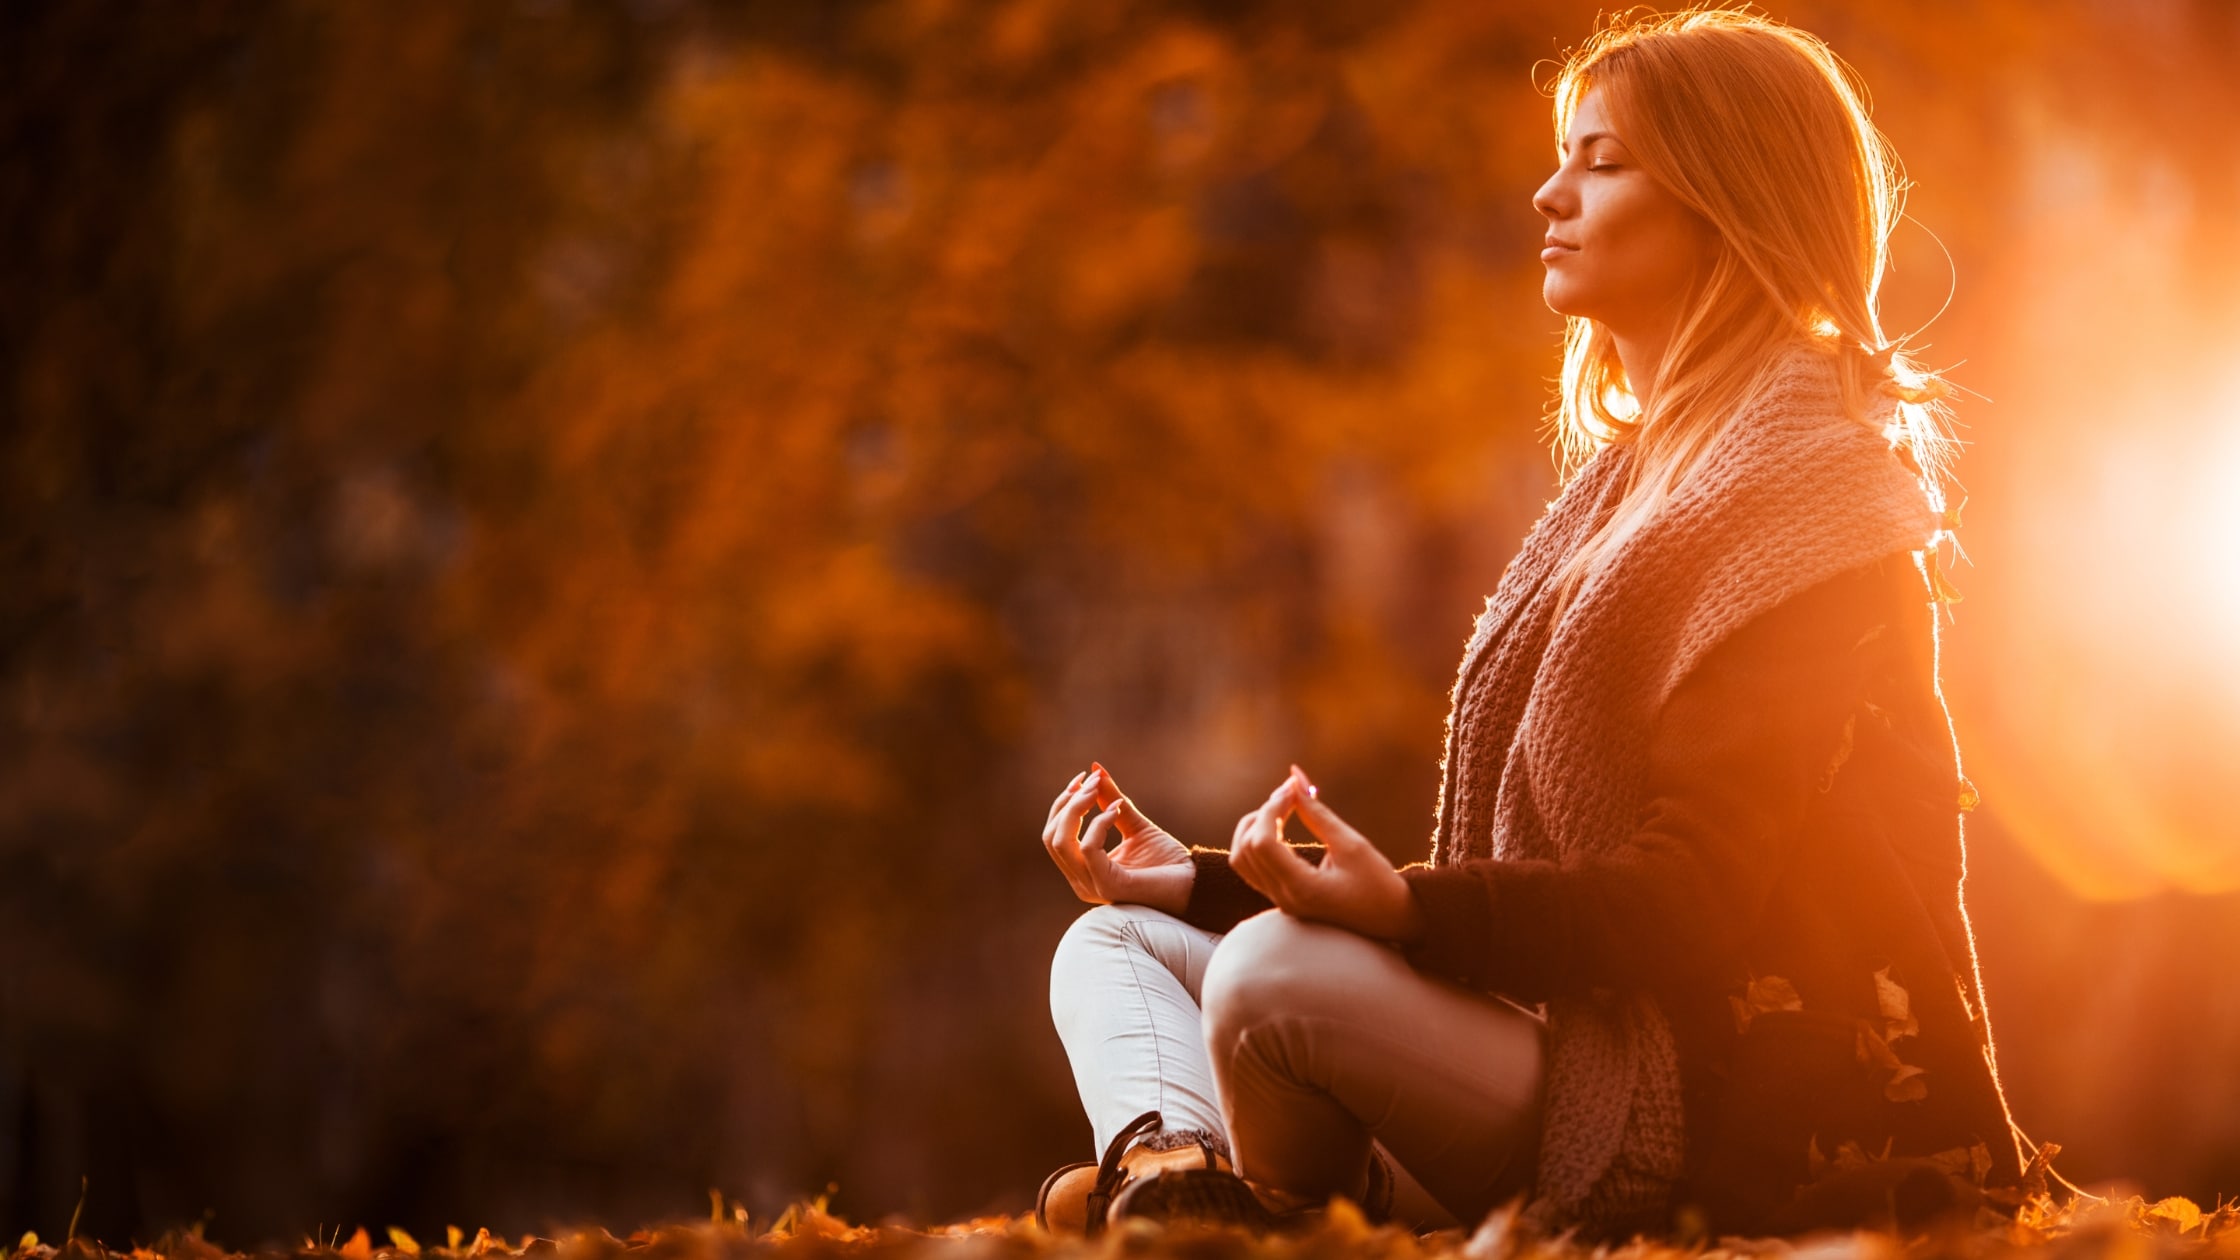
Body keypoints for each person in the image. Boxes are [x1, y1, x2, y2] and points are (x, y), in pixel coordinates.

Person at [1035, 6, 2032, 1243]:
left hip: (1708, 1112)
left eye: (1600, 161)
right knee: (1119, 938)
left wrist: (1397, 911)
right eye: (1563, 156)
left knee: (1265, 980)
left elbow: (1692, 906)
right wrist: (1199, 878)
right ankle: (1172, 1177)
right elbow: (1514, 909)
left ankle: (1256, 1222)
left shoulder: (1810, 505)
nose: (1546, 194)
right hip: (1549, 1058)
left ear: (1731, 199)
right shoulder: (1627, 492)